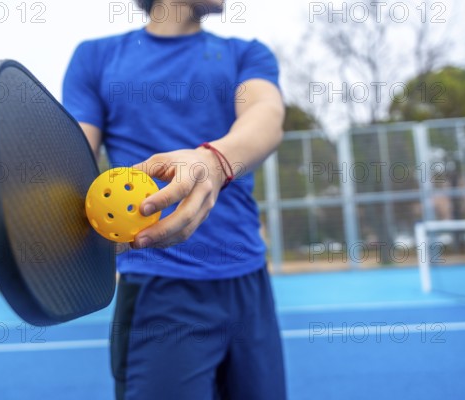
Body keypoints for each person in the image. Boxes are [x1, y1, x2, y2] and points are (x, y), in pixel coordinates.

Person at [63, 0, 286, 398]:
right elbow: (69, 165)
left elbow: (267, 116)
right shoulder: (96, 58)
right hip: (158, 289)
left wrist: (214, 161)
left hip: (249, 283)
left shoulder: (247, 52)